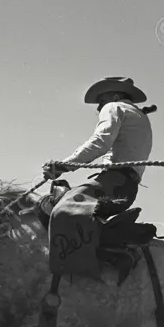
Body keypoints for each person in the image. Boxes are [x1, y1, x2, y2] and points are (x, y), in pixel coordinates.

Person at [42, 77, 156, 252]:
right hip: (126, 187)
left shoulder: (114, 107)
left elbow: (99, 143)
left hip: (112, 182)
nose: (98, 107)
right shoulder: (139, 116)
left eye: (101, 100)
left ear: (116, 96)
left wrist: (63, 166)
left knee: (61, 207)